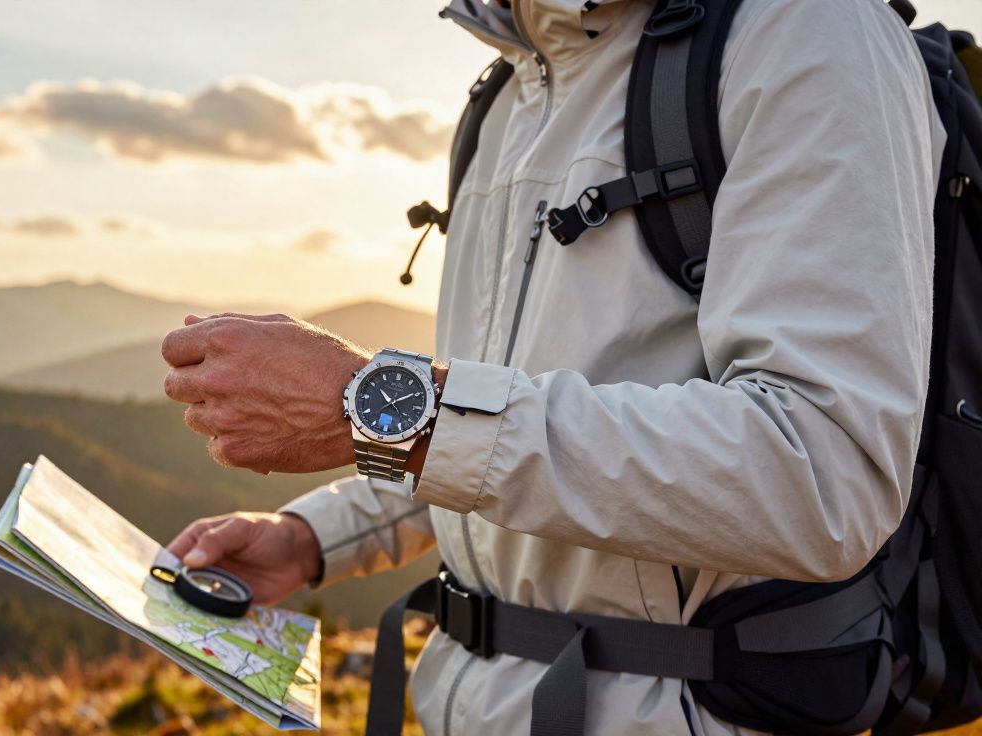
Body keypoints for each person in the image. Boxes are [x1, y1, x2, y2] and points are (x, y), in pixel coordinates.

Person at [160, 0, 946, 733]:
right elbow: (499, 430)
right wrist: (313, 538)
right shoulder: (507, 87)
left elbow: (822, 475)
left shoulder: (811, 31)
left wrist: (375, 404)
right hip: (464, 701)